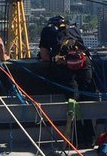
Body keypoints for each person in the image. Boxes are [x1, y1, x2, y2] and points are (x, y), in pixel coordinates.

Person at [39, 15, 96, 146]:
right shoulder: (74, 29)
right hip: (84, 64)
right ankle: (90, 139)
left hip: (64, 65)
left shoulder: (47, 31)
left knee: (73, 100)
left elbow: (45, 56)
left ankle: (76, 139)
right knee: (88, 97)